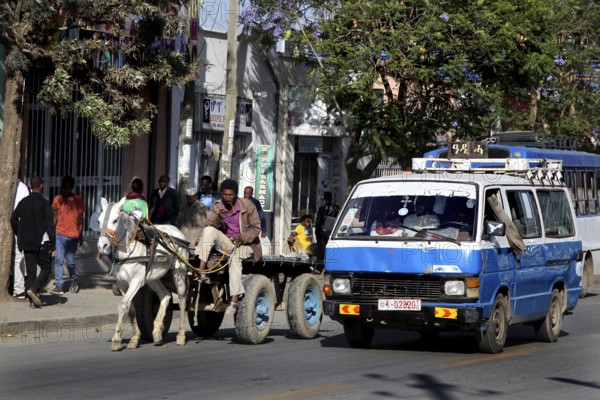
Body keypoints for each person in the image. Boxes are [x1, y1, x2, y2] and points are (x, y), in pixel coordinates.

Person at [195, 179, 262, 315]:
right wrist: (219, 218)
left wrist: (241, 237)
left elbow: (256, 228)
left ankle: (234, 300)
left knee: (235, 258)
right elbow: (209, 224)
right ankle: (201, 271)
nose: (227, 197)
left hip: (248, 245)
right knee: (208, 231)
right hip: (228, 243)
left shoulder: (248, 205)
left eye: (230, 195)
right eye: (225, 195)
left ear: (236, 194)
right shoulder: (218, 205)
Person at [11, 176, 56, 308]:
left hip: (26, 242)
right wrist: (53, 245)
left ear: (31, 186)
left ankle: (32, 302)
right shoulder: (45, 203)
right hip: (42, 242)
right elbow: (50, 225)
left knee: (31, 271)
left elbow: (13, 219)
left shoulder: (23, 202)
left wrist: (20, 233)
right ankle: (35, 289)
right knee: (46, 268)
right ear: (40, 186)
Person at [52, 175, 86, 294]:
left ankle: (73, 280)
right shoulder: (57, 199)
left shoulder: (78, 200)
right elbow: (55, 217)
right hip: (59, 233)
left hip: (73, 236)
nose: (66, 190)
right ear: (61, 187)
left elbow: (81, 219)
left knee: (70, 261)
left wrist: (81, 236)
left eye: (68, 188)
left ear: (71, 188)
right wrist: (52, 233)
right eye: (64, 188)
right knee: (58, 259)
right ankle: (59, 285)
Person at [12, 179, 30, 299]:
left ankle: (18, 289)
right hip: (19, 225)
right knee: (19, 257)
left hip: (18, 226)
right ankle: (18, 289)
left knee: (19, 256)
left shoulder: (22, 188)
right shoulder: (23, 187)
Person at [315, 191, 340, 258]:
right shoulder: (336, 208)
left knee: (322, 249)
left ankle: (322, 263)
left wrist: (316, 232)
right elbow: (338, 219)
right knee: (331, 248)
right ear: (331, 198)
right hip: (332, 231)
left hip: (322, 231)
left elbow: (318, 221)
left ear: (325, 198)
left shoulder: (322, 208)